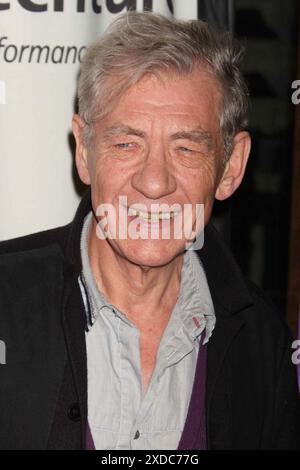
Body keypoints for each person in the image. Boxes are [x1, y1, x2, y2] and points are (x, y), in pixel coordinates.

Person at [0, 12, 299, 450]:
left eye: (186, 147)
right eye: (126, 143)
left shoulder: (262, 344)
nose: (154, 181)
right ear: (85, 151)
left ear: (230, 167)